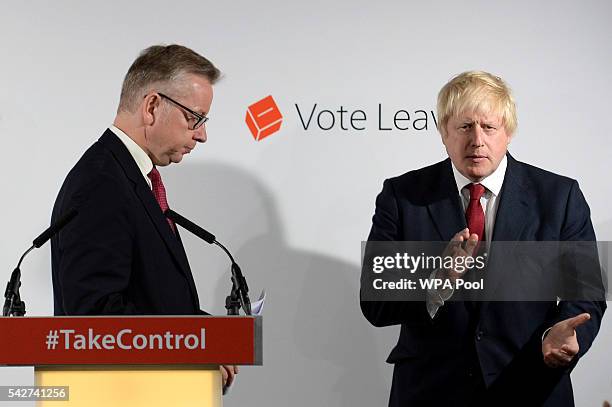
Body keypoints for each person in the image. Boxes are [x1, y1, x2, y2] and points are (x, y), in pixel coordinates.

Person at [360, 71, 606, 406]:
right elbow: (376, 303)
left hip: (531, 387)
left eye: (488, 127)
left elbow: (586, 295)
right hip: (431, 392)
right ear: (443, 132)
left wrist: (556, 336)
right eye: (464, 127)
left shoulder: (559, 197)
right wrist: (437, 281)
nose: (477, 140)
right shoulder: (402, 197)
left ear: (508, 132)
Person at [50, 44, 236, 387]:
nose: (202, 134)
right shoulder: (101, 183)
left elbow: (147, 298)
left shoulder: (126, 176)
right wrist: (191, 349)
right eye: (194, 117)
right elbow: (94, 316)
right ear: (152, 106)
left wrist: (208, 334)